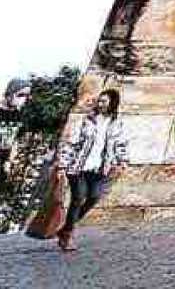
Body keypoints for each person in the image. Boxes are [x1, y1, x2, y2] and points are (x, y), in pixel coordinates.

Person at [55, 90, 127, 252]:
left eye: (104, 101)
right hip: (79, 166)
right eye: (99, 101)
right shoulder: (86, 120)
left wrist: (123, 161)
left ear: (112, 103)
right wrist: (62, 164)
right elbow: (72, 143)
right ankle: (68, 235)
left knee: (94, 197)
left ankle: (66, 228)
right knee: (78, 198)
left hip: (100, 168)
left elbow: (120, 144)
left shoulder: (117, 123)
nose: (100, 104)